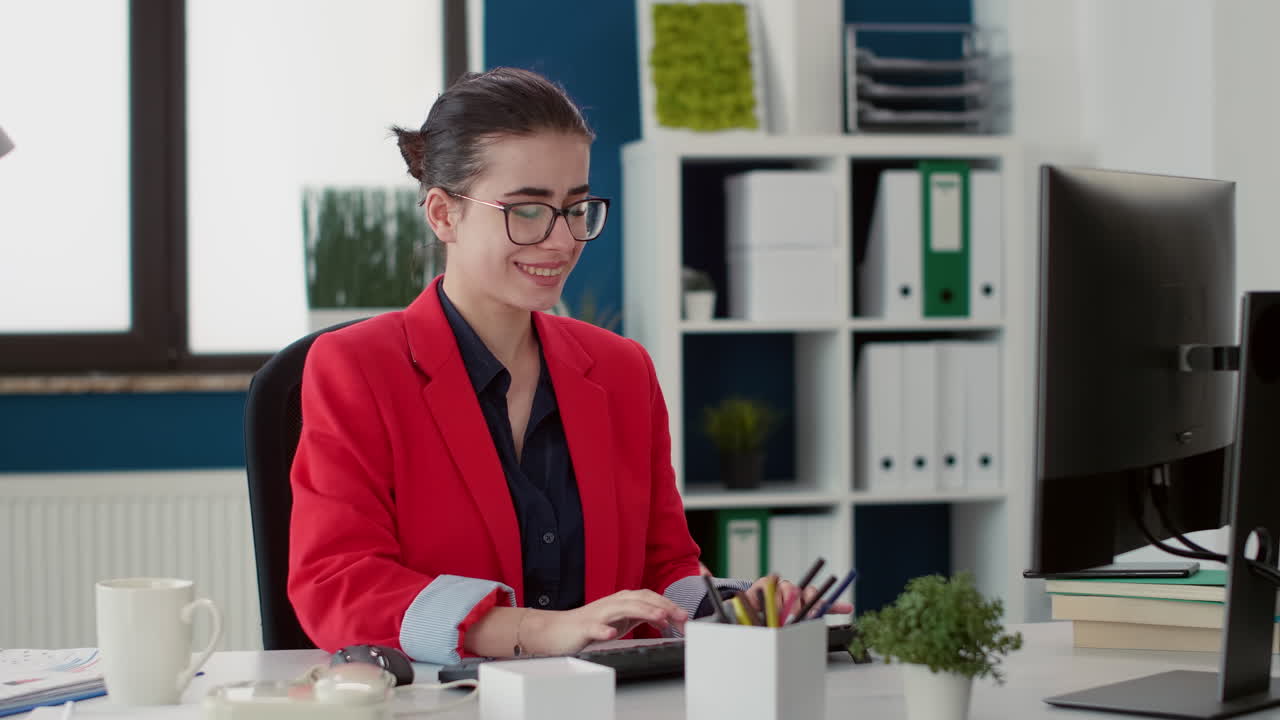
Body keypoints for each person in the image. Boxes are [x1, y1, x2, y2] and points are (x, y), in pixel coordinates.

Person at [287, 67, 849, 665]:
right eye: (527, 211)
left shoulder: (621, 370)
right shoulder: (357, 367)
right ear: (443, 214)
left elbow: (664, 566)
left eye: (577, 208)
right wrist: (541, 630)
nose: (560, 242)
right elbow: (338, 581)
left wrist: (735, 609)